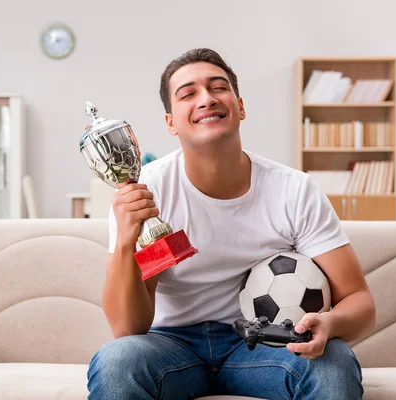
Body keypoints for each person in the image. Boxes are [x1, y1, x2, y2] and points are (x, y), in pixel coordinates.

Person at [86, 48, 376, 400]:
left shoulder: (293, 190)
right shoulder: (146, 190)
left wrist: (329, 324)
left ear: (240, 106)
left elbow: (360, 303)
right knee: (116, 362)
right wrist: (124, 245)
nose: (206, 99)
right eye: (188, 93)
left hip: (265, 343)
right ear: (170, 122)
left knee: (334, 362)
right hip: (170, 346)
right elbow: (128, 328)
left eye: (217, 87)